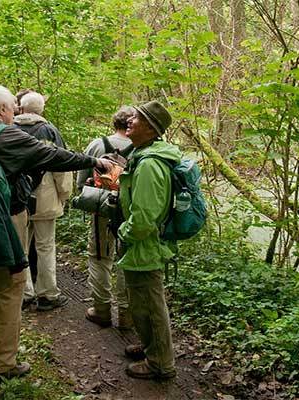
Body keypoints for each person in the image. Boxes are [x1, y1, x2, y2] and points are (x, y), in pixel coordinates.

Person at [0, 85, 113, 383]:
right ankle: (2, 364)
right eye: (13, 107)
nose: (15, 111)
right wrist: (94, 162)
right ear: (2, 111)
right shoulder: (9, 135)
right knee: (12, 284)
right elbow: (52, 156)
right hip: (7, 219)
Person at [117, 101, 180, 380]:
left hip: (145, 245)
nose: (130, 119)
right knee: (140, 302)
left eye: (138, 118)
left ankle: (160, 363)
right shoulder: (143, 155)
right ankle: (150, 346)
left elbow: (144, 218)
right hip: (140, 245)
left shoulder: (150, 164)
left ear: (152, 129)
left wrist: (124, 233)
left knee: (151, 304)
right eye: (132, 115)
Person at [12, 91, 72, 311]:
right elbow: (61, 167)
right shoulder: (49, 131)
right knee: (45, 246)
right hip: (46, 197)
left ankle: (24, 293)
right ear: (41, 109)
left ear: (21, 107)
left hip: (17, 198)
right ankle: (47, 294)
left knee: (20, 247)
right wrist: (63, 195)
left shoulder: (11, 128)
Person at [82, 106, 134, 329]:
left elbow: (81, 181)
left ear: (114, 123)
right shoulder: (141, 147)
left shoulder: (97, 145)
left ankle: (101, 310)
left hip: (101, 207)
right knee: (127, 261)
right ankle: (126, 314)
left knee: (99, 257)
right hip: (130, 210)